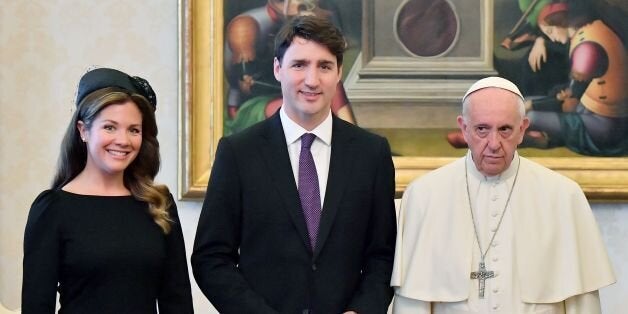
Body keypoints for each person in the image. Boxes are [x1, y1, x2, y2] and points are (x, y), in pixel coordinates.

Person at [192, 15, 396, 313]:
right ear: (278, 69)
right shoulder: (238, 152)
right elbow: (211, 258)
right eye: (299, 65)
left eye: (324, 66)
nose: (312, 80)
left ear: (339, 72)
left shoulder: (371, 154)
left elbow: (383, 256)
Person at [391, 76, 615, 313]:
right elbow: (412, 302)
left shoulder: (563, 196)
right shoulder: (425, 196)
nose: (494, 143)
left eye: (505, 129)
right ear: (464, 129)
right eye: (482, 129)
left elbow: (583, 304)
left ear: (522, 130)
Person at [22, 68, 194, 314]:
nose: (123, 140)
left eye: (134, 129)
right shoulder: (52, 209)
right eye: (110, 127)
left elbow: (177, 301)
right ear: (83, 130)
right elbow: (37, 307)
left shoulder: (159, 204)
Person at [224, 0, 356, 135]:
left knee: (329, 81)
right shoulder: (245, 26)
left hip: (291, 97)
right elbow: (247, 83)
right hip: (252, 107)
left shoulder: (303, 22)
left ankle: (352, 135)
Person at [522, 2, 628, 156]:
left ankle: (544, 138)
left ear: (562, 22)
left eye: (551, 31)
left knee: (529, 116)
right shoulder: (591, 30)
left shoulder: (587, 48)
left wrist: (532, 105)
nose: (551, 38)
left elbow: (569, 104)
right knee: (523, 103)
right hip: (587, 110)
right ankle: (543, 138)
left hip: (606, 127)